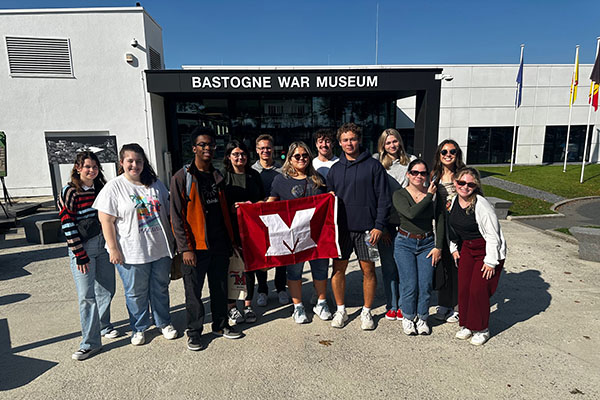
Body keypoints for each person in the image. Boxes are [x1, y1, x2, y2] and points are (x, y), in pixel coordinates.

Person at [94, 143, 178, 346]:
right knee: (135, 292)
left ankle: (163, 322)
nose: (135, 165)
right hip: (131, 251)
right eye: (130, 161)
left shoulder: (156, 184)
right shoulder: (114, 187)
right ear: (121, 163)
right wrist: (113, 248)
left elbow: (169, 213)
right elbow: (105, 220)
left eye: (139, 161)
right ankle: (139, 327)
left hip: (159, 248)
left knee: (160, 288)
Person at [171, 127, 242, 352]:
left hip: (219, 244)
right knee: (193, 293)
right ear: (194, 148)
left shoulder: (217, 175)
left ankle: (220, 325)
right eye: (203, 145)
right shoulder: (182, 177)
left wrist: (231, 240)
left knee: (220, 288)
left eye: (211, 145)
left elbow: (222, 212)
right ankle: (194, 332)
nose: (208, 148)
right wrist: (185, 248)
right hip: (195, 247)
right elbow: (176, 216)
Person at [327, 122, 390, 330]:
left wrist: (379, 225)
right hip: (341, 230)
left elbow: (383, 198)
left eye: (352, 139)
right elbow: (328, 201)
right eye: (345, 140)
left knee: (368, 270)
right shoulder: (335, 169)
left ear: (359, 140)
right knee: (338, 270)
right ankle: (341, 310)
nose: (349, 143)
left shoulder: (373, 166)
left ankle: (367, 311)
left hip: (367, 230)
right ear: (339, 143)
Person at [59, 151, 117, 361]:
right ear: (77, 168)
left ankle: (103, 325)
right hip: (83, 247)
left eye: (94, 166)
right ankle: (90, 343)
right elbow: (67, 224)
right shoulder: (70, 191)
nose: (91, 170)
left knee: (107, 288)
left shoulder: (102, 188)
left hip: (104, 244)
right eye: (86, 167)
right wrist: (79, 254)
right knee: (86, 296)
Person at [267, 141, 332, 324]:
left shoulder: (318, 179)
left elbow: (326, 205)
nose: (301, 159)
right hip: (293, 238)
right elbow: (270, 203)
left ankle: (321, 302)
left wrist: (332, 198)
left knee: (320, 270)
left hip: (317, 236)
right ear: (290, 158)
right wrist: (250, 207)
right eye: (297, 156)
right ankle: (298, 307)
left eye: (305, 155)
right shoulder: (281, 179)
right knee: (294, 273)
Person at [448, 167, 506, 346]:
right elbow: (453, 227)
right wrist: (453, 248)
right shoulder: (452, 201)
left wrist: (490, 262)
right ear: (455, 182)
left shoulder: (481, 204)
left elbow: (492, 235)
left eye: (470, 184)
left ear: (476, 186)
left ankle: (481, 328)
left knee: (478, 290)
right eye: (461, 182)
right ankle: (466, 324)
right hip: (467, 248)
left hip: (486, 250)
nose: (465, 187)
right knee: (464, 288)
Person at [393, 159, 444, 336]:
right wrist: (428, 196)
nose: (418, 176)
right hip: (404, 242)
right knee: (409, 284)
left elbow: (440, 220)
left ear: (427, 175)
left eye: (422, 173)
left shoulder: (435, 195)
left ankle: (422, 317)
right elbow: (411, 214)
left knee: (425, 283)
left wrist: (438, 246)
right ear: (408, 174)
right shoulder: (400, 194)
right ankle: (408, 317)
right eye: (414, 172)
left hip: (427, 243)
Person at [221, 139, 266, 326]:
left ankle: (247, 305)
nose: (240, 157)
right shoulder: (222, 176)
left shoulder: (254, 175)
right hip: (229, 230)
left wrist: (251, 207)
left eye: (243, 154)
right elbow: (218, 204)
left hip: (251, 230)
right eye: (235, 154)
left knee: (250, 268)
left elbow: (263, 200)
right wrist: (231, 208)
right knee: (231, 269)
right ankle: (232, 307)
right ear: (229, 156)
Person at [373, 128, 416, 322]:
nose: (392, 145)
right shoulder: (377, 164)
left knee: (405, 266)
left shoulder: (412, 161)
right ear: (383, 145)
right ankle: (392, 305)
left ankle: (406, 304)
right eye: (388, 143)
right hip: (386, 222)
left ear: (400, 142)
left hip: (407, 222)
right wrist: (380, 227)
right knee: (389, 265)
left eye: (395, 141)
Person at [430, 139, 466, 324]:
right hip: (440, 225)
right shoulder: (434, 175)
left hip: (459, 226)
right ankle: (444, 304)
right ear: (439, 154)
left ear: (457, 154)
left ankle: (458, 306)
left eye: (452, 151)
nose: (448, 155)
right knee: (443, 265)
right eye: (444, 152)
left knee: (457, 265)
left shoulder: (463, 174)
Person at [251, 134, 289, 306]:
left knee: (281, 254)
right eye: (262, 148)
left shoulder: (282, 171)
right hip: (258, 221)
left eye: (268, 147)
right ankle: (263, 290)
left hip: (279, 220)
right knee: (262, 255)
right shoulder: (251, 171)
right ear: (257, 150)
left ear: (273, 149)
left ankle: (281, 288)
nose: (265, 151)